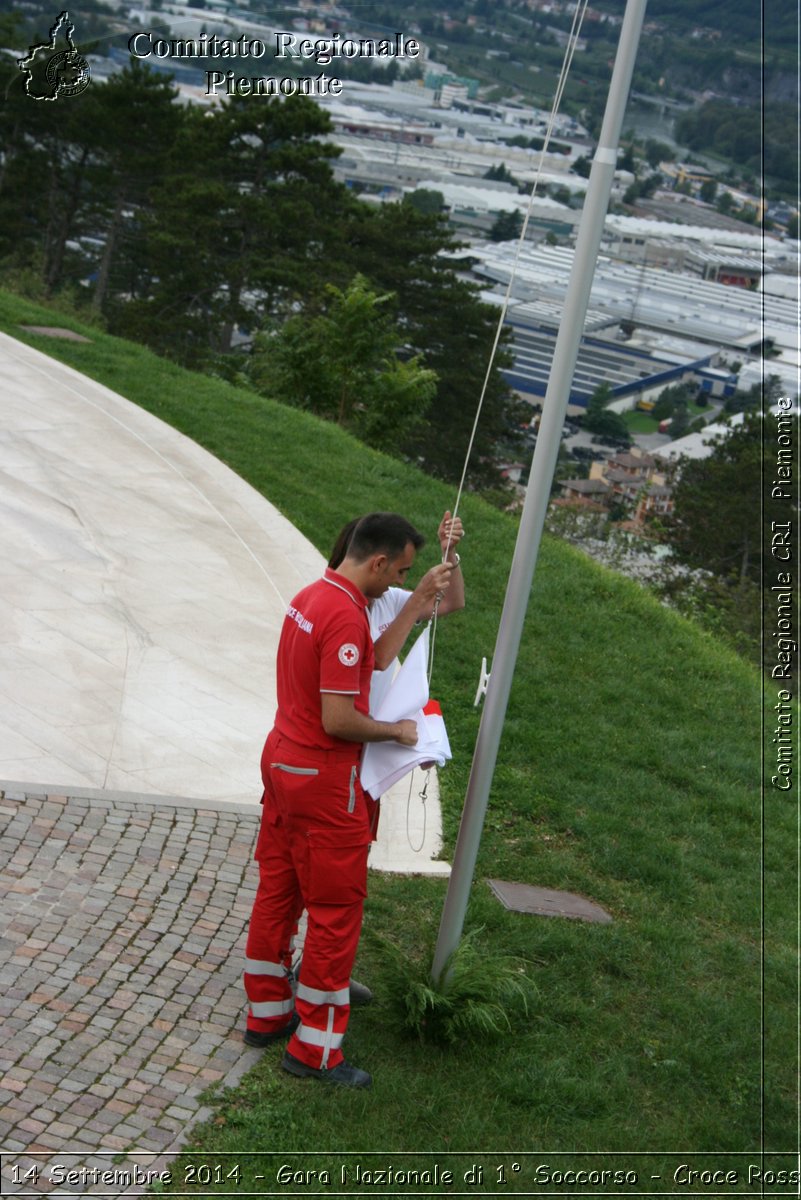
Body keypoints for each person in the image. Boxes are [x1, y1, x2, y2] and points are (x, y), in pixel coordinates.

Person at [243, 513, 451, 1089]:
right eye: (400, 572)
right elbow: (339, 720)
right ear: (377, 561)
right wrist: (399, 734)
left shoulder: (313, 595)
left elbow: (375, 657)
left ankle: (266, 1014)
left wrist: (415, 604)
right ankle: (315, 1050)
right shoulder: (343, 613)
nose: (397, 583)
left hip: (283, 758)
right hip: (324, 777)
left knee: (278, 890)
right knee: (335, 914)